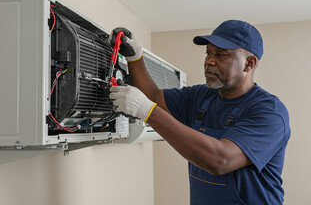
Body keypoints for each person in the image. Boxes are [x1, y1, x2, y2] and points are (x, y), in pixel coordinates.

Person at [108, 20, 290, 205]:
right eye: (208, 53)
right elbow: (153, 97)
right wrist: (135, 58)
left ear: (249, 63)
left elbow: (220, 160)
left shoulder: (269, 112)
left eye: (220, 55)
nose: (209, 61)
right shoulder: (201, 96)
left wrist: (147, 111)